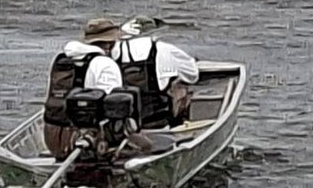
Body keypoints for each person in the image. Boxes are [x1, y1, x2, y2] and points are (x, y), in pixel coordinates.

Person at [42, 18, 126, 159]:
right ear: (110, 44)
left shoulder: (62, 60)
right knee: (143, 143)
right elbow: (112, 111)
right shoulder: (106, 64)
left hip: (53, 138)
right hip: (84, 142)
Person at [115, 29, 201, 139]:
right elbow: (193, 75)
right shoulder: (165, 49)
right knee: (182, 89)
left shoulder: (112, 56)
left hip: (127, 130)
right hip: (161, 126)